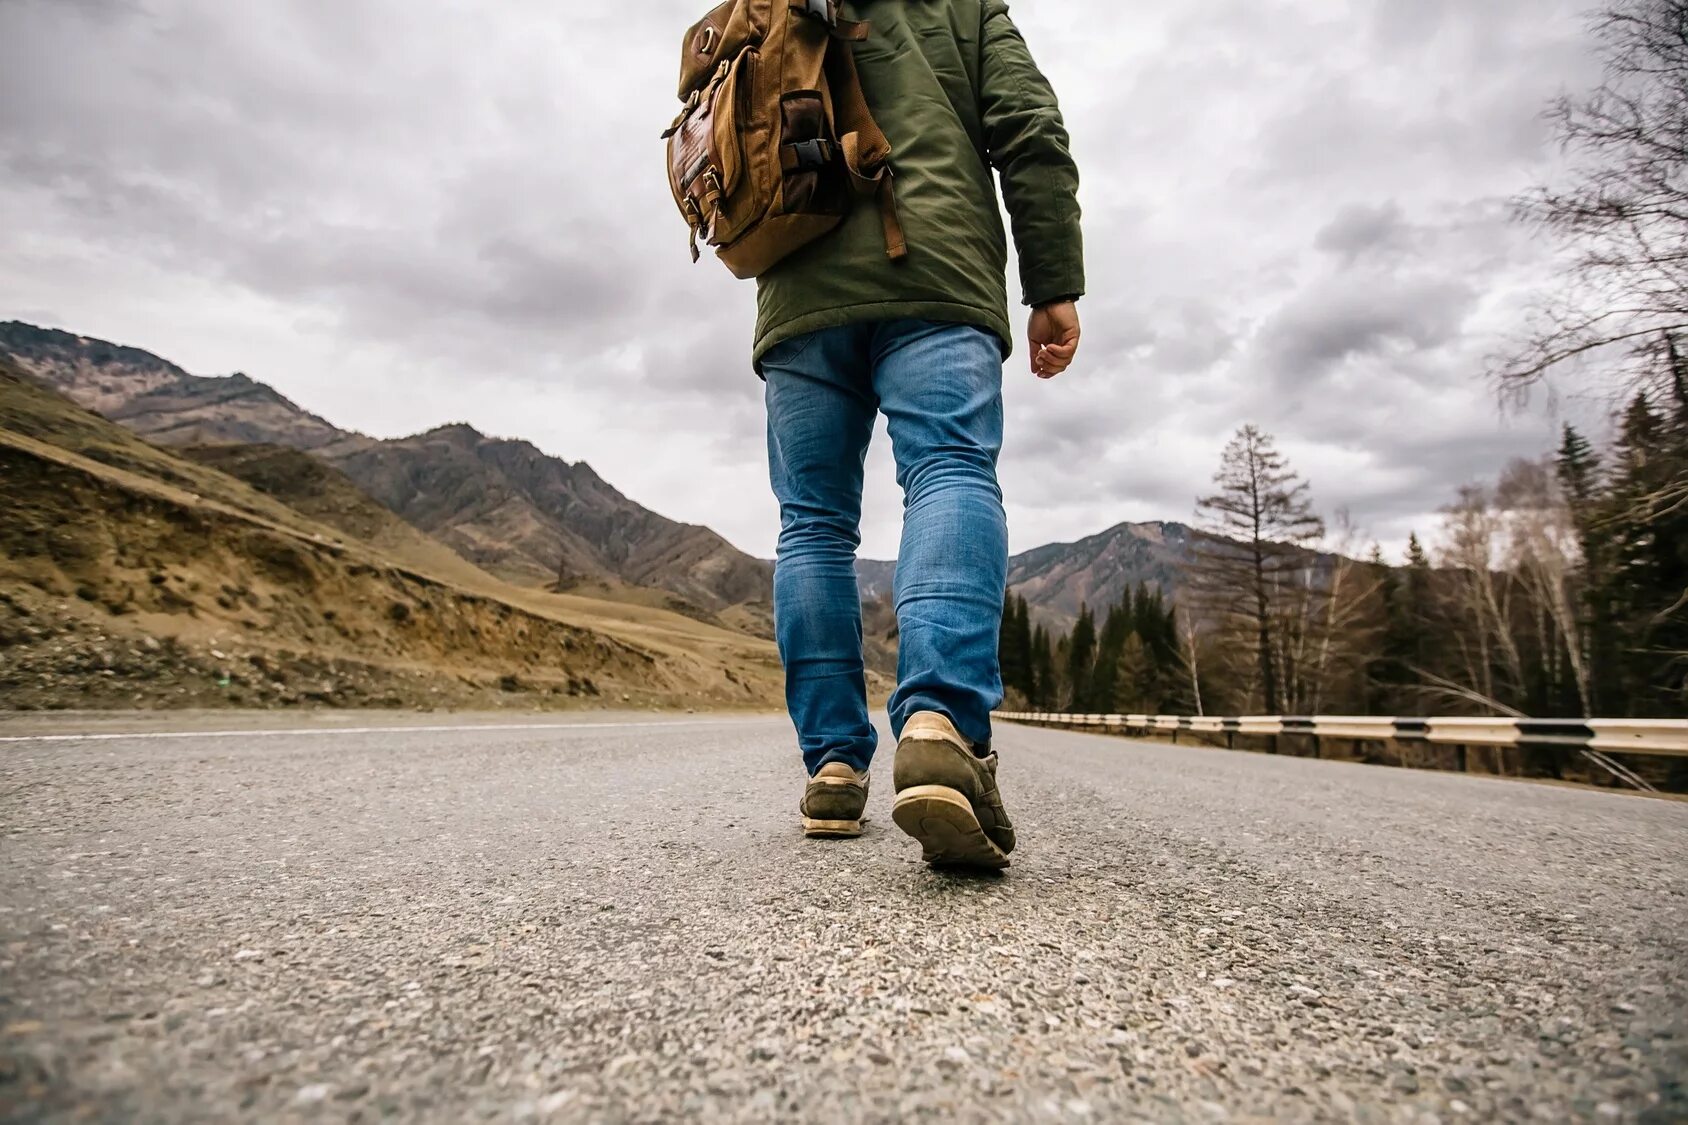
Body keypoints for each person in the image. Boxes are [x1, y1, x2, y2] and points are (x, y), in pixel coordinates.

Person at [759, 0, 1083, 869]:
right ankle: (941, 723)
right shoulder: (965, 5)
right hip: (936, 267)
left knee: (813, 524)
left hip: (798, 285)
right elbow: (1028, 124)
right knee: (948, 470)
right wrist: (1054, 279)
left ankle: (832, 762)